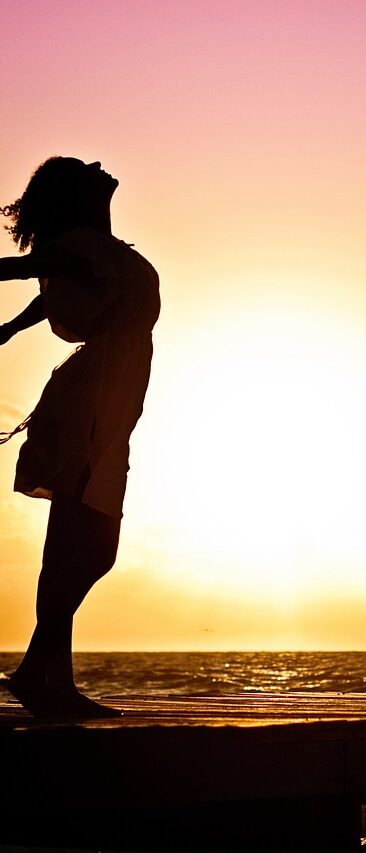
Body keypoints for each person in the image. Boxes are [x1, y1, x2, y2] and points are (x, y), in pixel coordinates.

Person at [0, 157, 160, 717]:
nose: (99, 165)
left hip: (106, 397)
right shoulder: (81, 244)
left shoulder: (98, 249)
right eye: (85, 169)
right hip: (94, 399)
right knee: (87, 543)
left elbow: (52, 288)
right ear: (77, 194)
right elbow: (32, 270)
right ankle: (45, 676)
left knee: (77, 544)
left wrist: (6, 331)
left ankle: (40, 675)